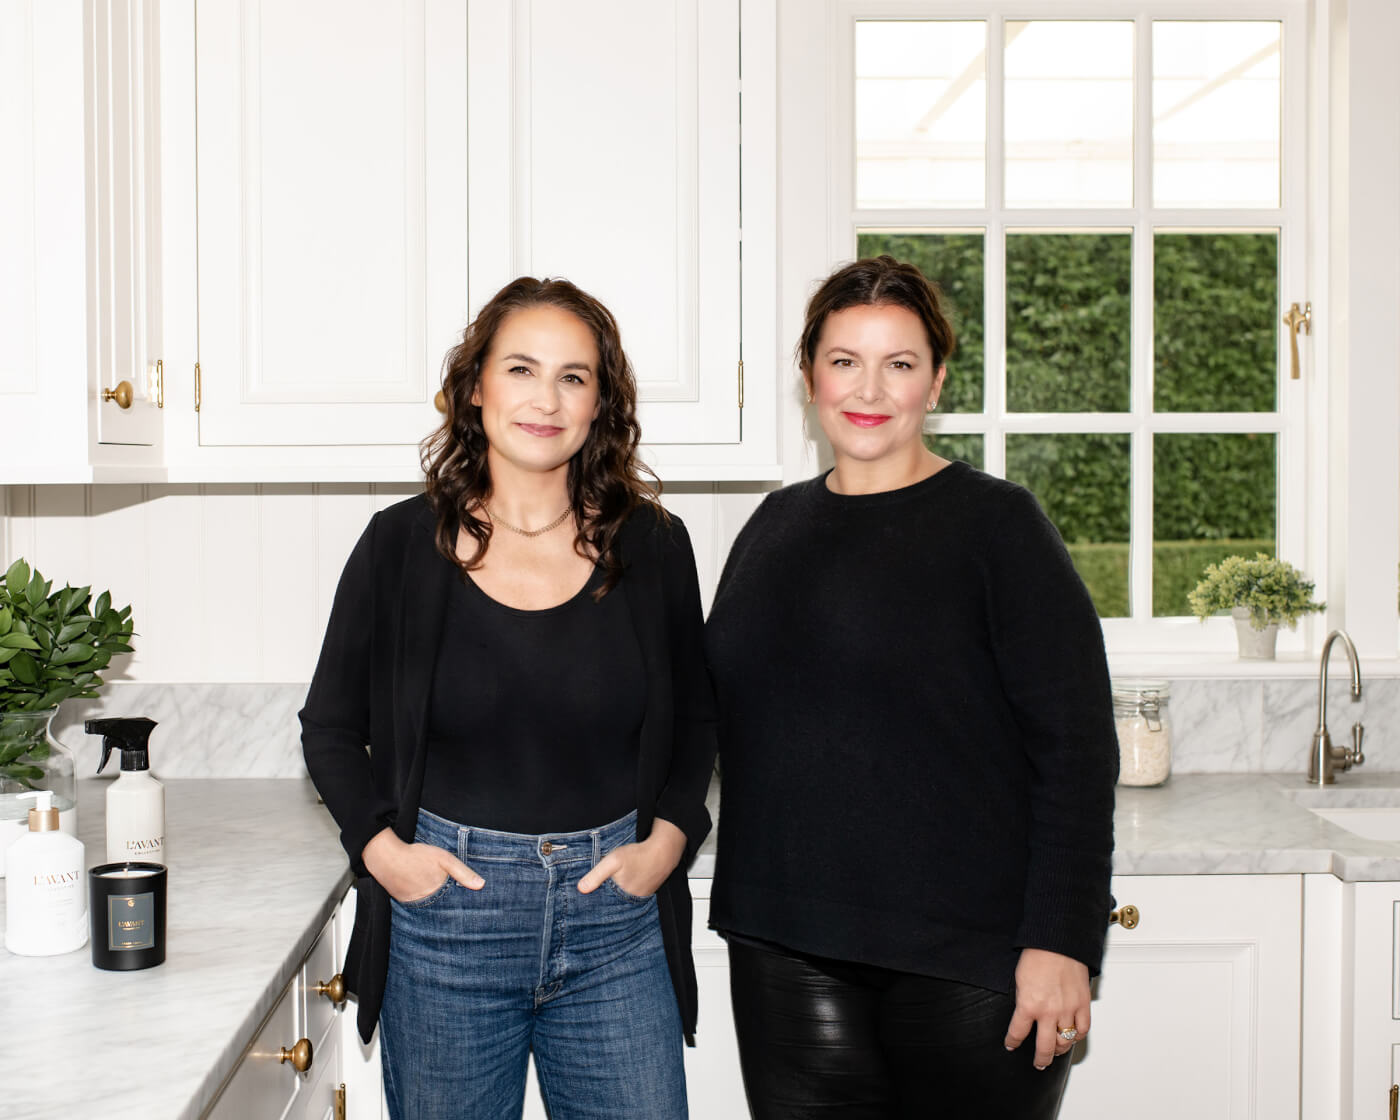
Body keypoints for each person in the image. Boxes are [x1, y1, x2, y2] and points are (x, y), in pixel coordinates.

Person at [705, 255, 1118, 1119]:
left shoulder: (1000, 527)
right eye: (845, 359)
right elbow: (719, 714)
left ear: (935, 383)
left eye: (900, 364)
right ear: (809, 374)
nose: (870, 388)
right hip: (788, 942)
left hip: (972, 956)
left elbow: (1077, 750)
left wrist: (1063, 940)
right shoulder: (774, 526)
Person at [300, 276, 716, 1120]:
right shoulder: (398, 548)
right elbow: (330, 728)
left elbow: (698, 721)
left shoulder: (655, 547)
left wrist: (668, 841)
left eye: (575, 376)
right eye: (522, 368)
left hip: (617, 920)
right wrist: (383, 853)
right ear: (476, 385)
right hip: (450, 917)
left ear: (601, 402)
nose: (546, 398)